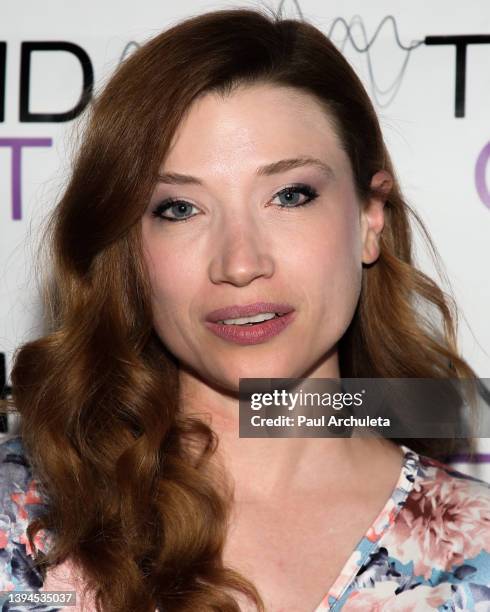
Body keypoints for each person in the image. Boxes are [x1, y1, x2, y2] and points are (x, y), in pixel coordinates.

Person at [0, 6, 489, 611]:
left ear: (371, 217)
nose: (239, 263)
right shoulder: (22, 515)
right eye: (179, 208)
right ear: (129, 246)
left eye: (289, 195)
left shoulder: (478, 548)